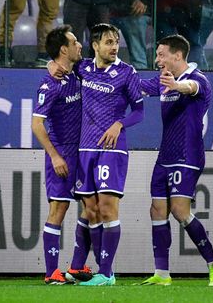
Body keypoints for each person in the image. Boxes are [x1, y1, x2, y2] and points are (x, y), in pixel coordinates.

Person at [50, 23, 145, 286]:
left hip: (111, 150)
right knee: (90, 210)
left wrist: (120, 123)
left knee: (107, 208)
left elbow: (139, 110)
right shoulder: (83, 69)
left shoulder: (126, 72)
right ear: (95, 45)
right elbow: (60, 64)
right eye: (108, 42)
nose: (114, 47)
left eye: (116, 42)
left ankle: (107, 273)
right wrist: (50, 66)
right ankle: (79, 268)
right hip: (85, 149)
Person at [139, 34, 213, 287]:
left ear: (177, 56)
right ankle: (162, 274)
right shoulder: (164, 80)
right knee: (157, 209)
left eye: (161, 54)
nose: (157, 59)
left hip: (187, 156)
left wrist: (177, 86)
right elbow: (139, 86)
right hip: (165, 155)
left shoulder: (198, 80)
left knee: (179, 211)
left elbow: (192, 89)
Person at [31, 25, 95, 285]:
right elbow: (37, 124)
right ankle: (51, 272)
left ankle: (75, 268)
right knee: (59, 208)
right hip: (63, 153)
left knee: (91, 208)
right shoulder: (50, 83)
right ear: (63, 49)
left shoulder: (77, 73)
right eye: (75, 41)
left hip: (83, 151)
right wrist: (55, 156)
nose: (80, 45)